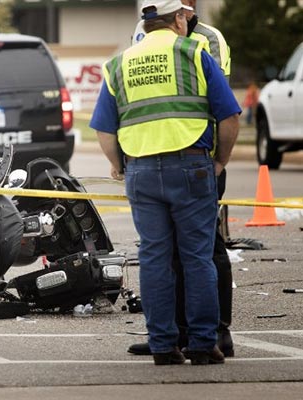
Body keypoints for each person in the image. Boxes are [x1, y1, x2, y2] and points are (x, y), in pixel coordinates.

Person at [91, 0, 240, 365]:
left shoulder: (120, 62)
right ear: (177, 19)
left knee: (155, 259)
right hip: (191, 166)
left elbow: (104, 129)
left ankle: (162, 345)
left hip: (142, 172)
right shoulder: (195, 53)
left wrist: (117, 165)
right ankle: (204, 344)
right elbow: (229, 115)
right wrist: (220, 160)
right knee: (197, 257)